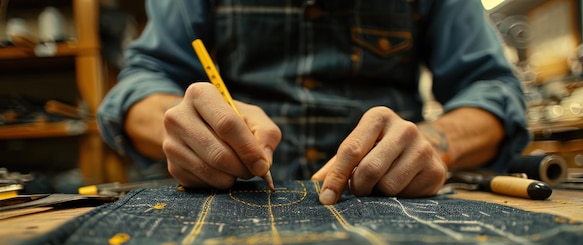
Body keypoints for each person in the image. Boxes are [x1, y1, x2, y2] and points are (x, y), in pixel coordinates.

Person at [97, 0, 529, 205]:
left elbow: (493, 90)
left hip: (390, 200)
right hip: (229, 199)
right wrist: (189, 129)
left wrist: (435, 142)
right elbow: (138, 86)